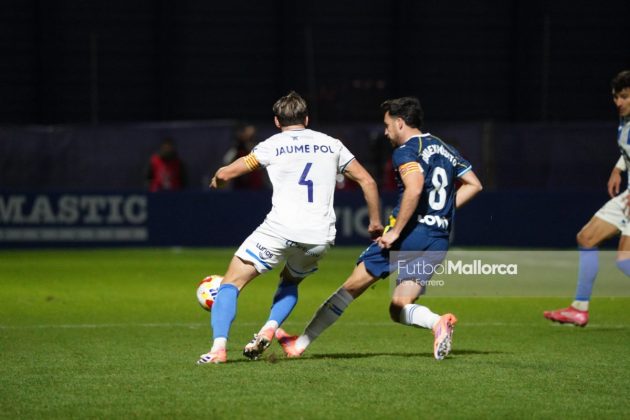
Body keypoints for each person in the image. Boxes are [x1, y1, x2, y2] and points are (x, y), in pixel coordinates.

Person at [273, 96, 483, 361]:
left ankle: (299, 344)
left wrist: (395, 232)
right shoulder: (446, 148)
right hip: (438, 239)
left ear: (400, 122)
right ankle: (437, 322)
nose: (385, 132)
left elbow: (415, 187)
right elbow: (474, 184)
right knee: (399, 307)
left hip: (409, 236)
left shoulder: (407, 150)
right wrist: (439, 212)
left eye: (387, 125)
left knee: (350, 288)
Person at [197, 91, 383, 364]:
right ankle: (269, 328)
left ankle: (218, 349)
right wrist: (376, 223)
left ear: (276, 121)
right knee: (290, 281)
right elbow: (368, 181)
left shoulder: (272, 145)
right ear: (306, 119)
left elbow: (228, 172)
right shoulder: (332, 145)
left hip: (280, 229)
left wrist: (219, 178)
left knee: (231, 283)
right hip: (319, 235)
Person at [544, 70, 630, 327]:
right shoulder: (625, 121)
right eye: (615, 97)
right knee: (587, 238)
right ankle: (579, 309)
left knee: (625, 261)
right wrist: (618, 168)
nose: (618, 102)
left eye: (624, 97)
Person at [222, 122, 266, 190]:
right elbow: (226, 161)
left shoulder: (258, 147)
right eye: (245, 132)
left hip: (256, 187)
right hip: (240, 188)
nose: (248, 134)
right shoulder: (236, 149)